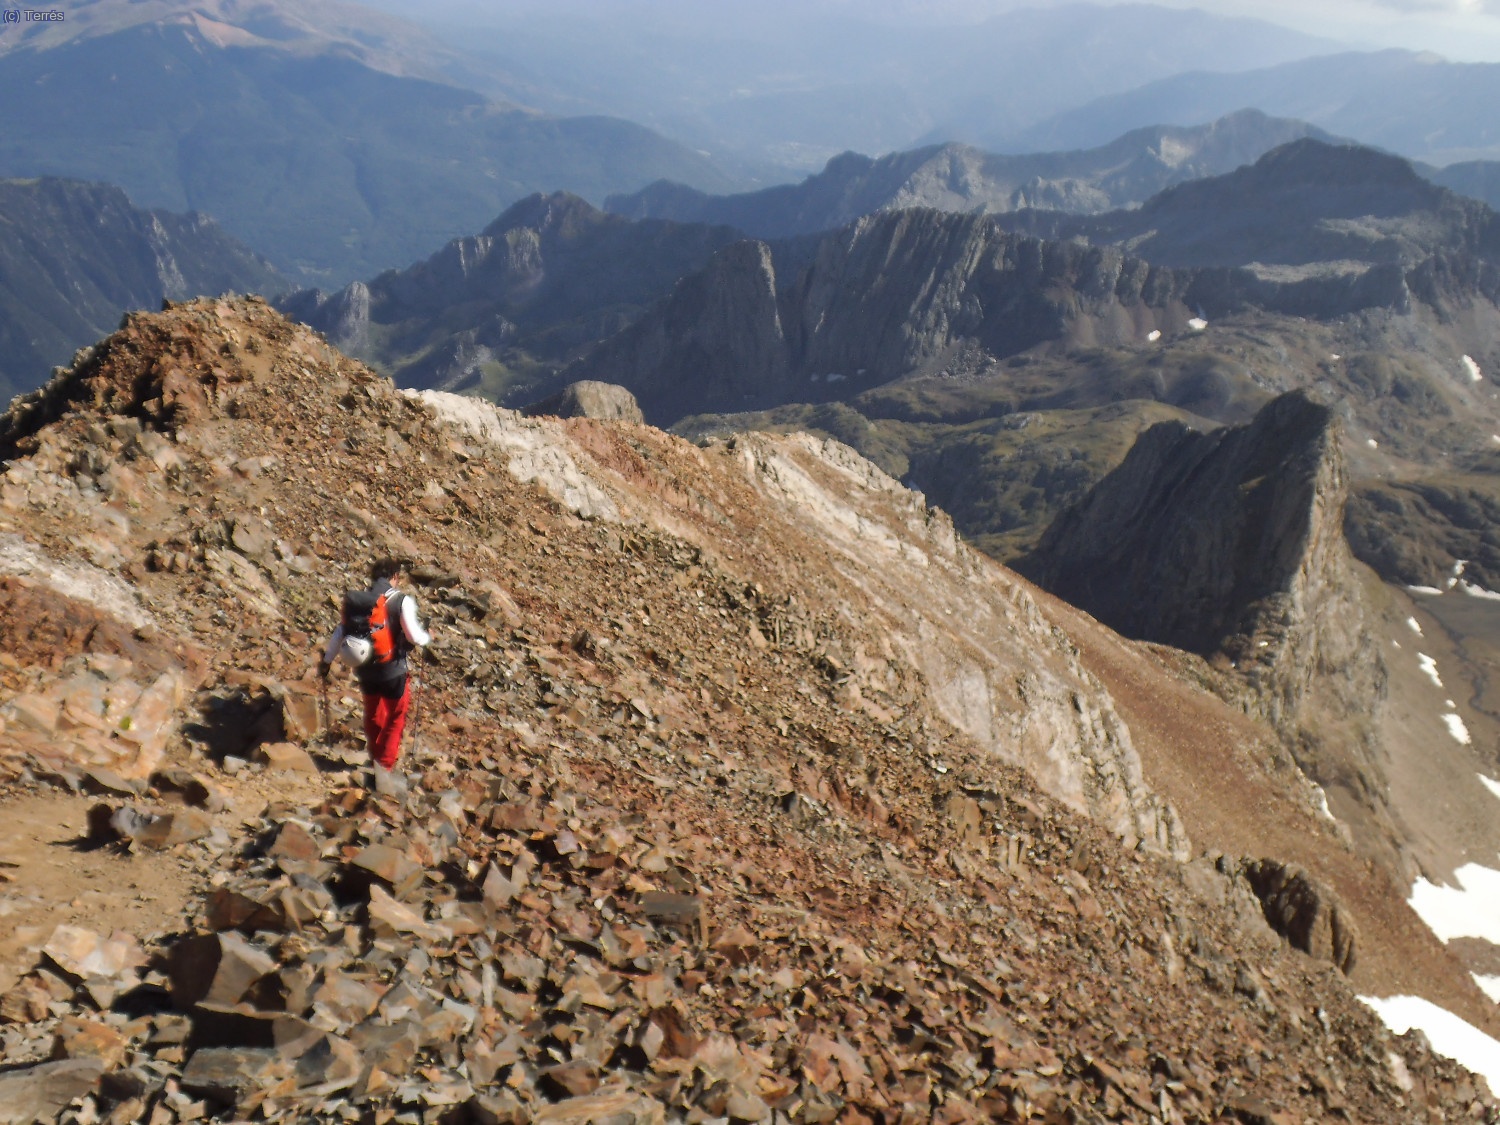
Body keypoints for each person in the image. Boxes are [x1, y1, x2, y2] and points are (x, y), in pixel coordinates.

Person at [318, 558, 431, 774]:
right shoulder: (400, 600)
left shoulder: (358, 602)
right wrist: (428, 637)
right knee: (396, 717)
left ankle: (375, 758)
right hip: (393, 670)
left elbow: (340, 633)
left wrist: (326, 662)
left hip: (365, 668)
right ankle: (384, 766)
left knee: (373, 713)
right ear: (395, 577)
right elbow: (414, 637)